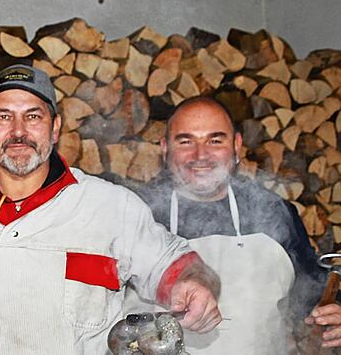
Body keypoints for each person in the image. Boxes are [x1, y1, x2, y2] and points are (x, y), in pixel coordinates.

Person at [0, 64, 221, 355]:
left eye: (33, 116)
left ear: (55, 128)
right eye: (3, 117)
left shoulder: (111, 208)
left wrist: (194, 284)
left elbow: (178, 267)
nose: (18, 131)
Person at [129, 96, 340, 353]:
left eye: (215, 140)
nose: (201, 155)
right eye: (185, 141)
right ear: (164, 148)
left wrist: (333, 313)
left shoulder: (274, 213)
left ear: (237, 145)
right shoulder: (135, 214)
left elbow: (312, 298)